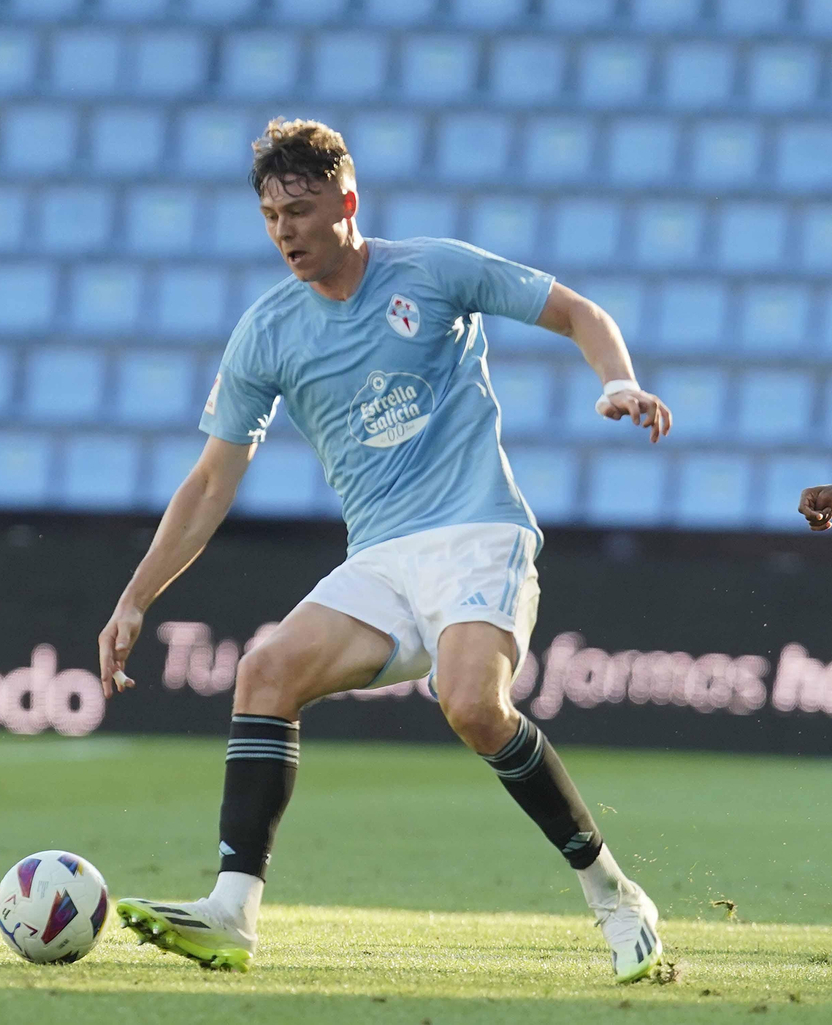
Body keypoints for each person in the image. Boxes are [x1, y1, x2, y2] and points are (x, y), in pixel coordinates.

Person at [98, 119, 674, 983]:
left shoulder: (432, 271)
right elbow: (211, 482)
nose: (284, 230)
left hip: (478, 530)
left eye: (299, 210)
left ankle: (615, 896)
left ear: (347, 201)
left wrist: (616, 380)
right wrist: (136, 596)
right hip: (380, 556)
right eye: (270, 216)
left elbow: (576, 312)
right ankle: (232, 910)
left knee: (472, 704)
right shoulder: (267, 331)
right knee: (264, 673)